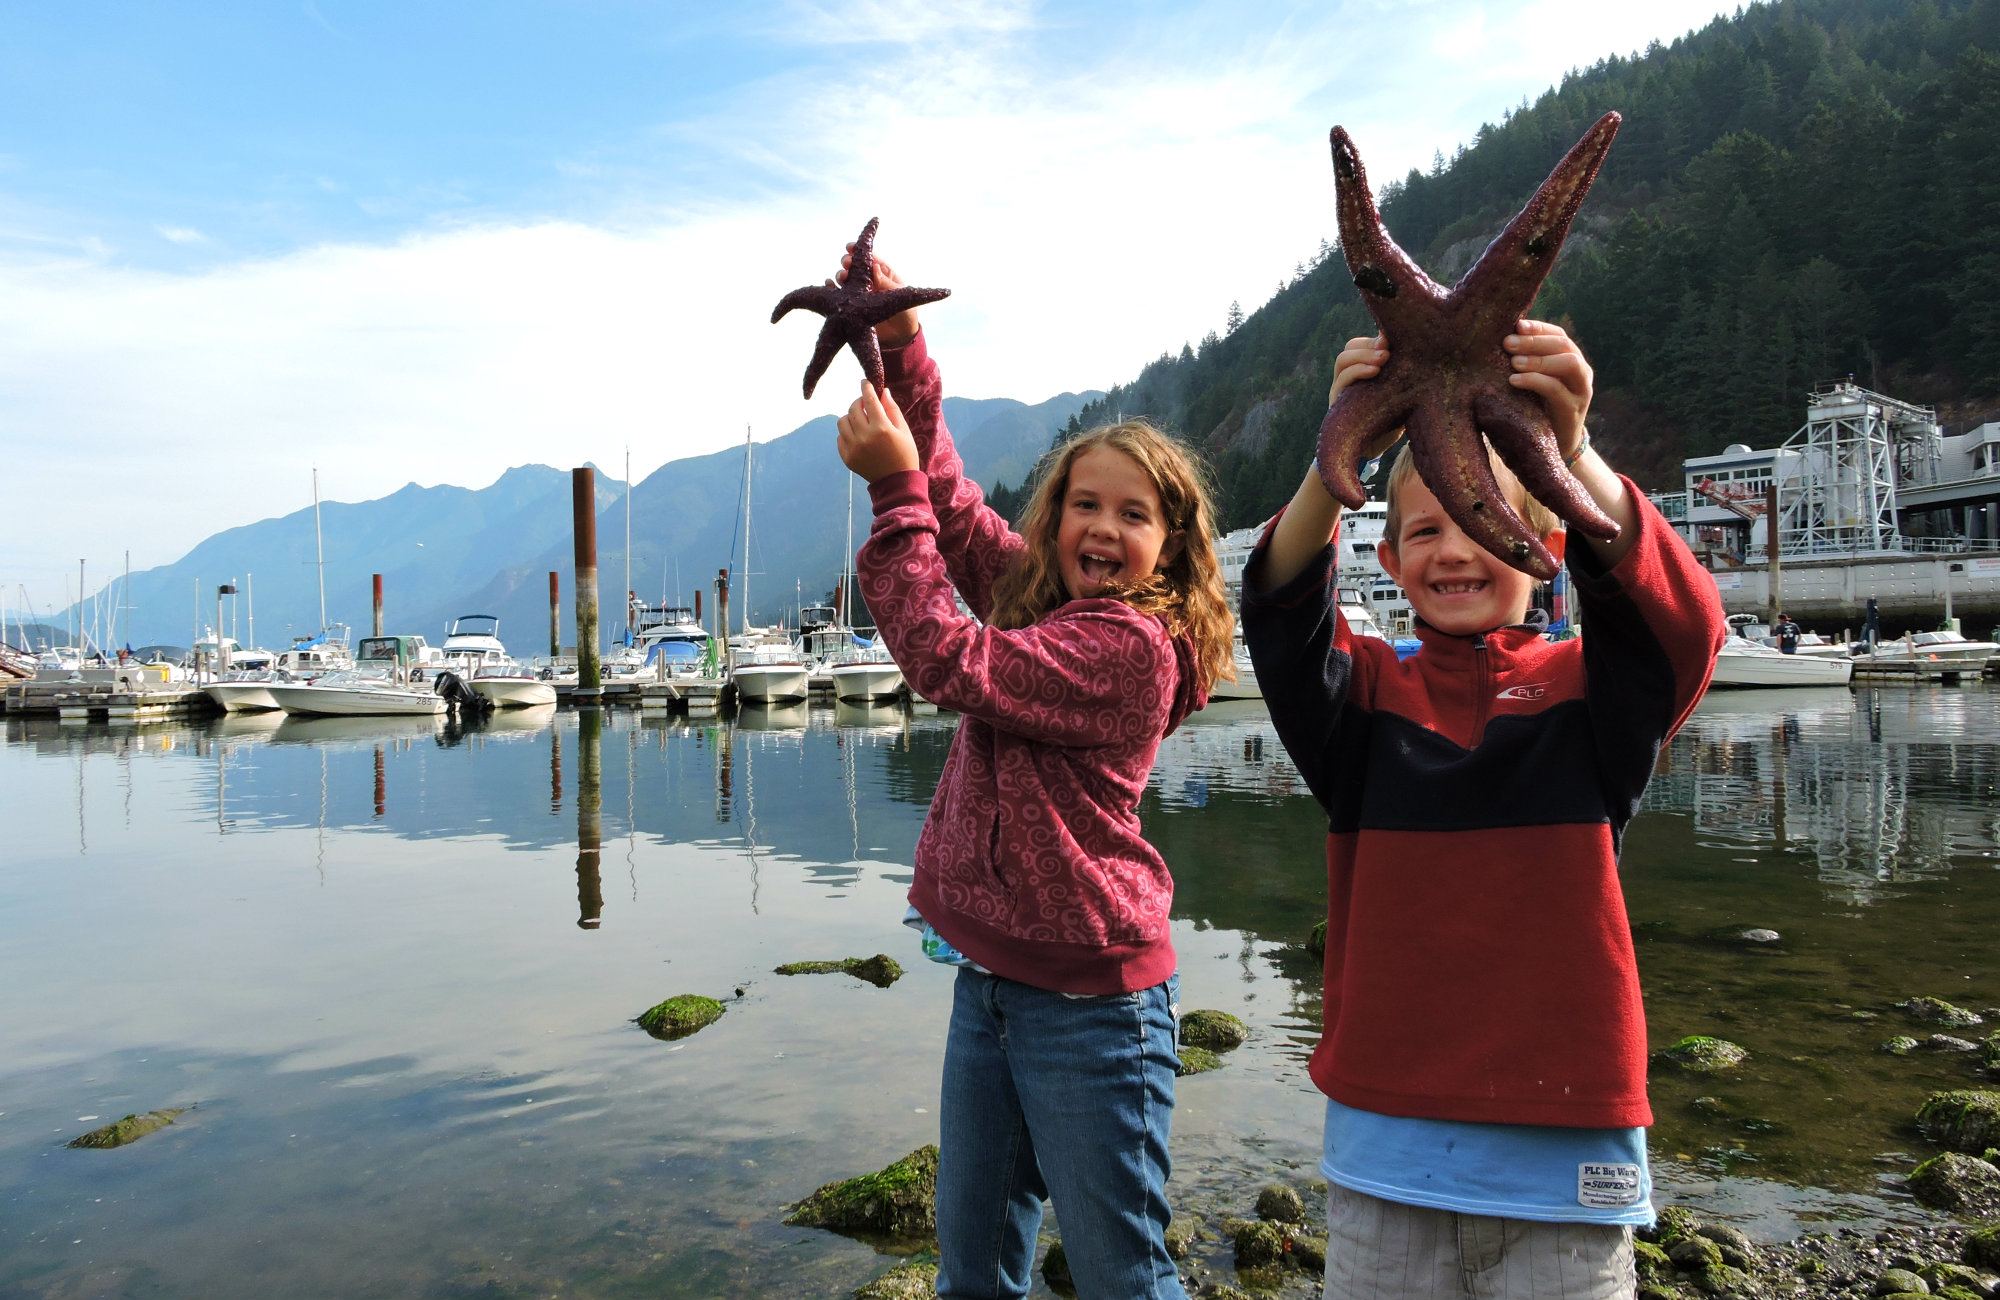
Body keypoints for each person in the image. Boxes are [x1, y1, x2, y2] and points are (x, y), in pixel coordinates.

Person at [1243, 324, 1726, 1299]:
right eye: (1423, 529)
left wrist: (1572, 451)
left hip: (1565, 1169)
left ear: (1547, 543)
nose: (1453, 548)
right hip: (1387, 1166)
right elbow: (1278, 603)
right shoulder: (1360, 706)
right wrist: (1334, 449)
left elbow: (1683, 627)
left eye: (1481, 519)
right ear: (1383, 554)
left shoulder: (1594, 701)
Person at [832, 243, 1235, 1300]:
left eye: (1132, 514)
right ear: (1055, 518)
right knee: (973, 1274)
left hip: (1095, 1010)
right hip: (994, 987)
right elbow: (957, 509)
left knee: (1122, 1280)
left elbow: (944, 657)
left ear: (1171, 545)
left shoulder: (1130, 652)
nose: (1101, 526)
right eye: (1083, 505)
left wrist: (888, 492)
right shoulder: (1050, 603)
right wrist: (901, 339)